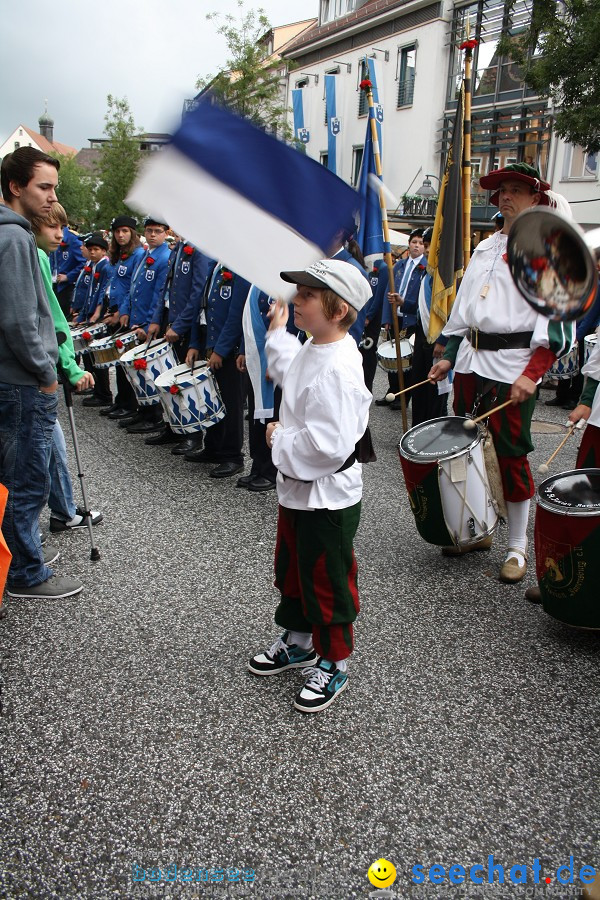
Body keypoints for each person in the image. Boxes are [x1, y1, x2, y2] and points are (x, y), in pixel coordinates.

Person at [429, 163, 574, 584]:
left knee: (510, 456)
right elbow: (465, 311)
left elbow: (556, 323)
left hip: (511, 368)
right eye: (502, 190)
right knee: (466, 451)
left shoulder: (547, 251)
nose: (506, 196)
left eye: (516, 190)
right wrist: (449, 352)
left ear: (535, 199)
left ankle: (516, 547)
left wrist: (534, 373)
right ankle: (477, 528)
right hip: (471, 365)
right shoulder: (485, 247)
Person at [248, 259, 372, 713]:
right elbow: (291, 372)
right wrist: (279, 333)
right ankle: (299, 642)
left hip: (326, 497)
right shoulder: (315, 346)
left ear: (338, 309)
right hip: (300, 491)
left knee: (327, 577)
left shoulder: (339, 369)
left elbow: (328, 447)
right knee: (294, 567)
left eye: (306, 296)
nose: (295, 301)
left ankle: (335, 660)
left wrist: (279, 437)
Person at [0, 146, 81, 600]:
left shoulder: (14, 235)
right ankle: (26, 573)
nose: (52, 198)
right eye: (44, 187)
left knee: (16, 476)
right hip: (22, 381)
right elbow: (19, 319)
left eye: (55, 188)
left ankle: (18, 553)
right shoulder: (13, 239)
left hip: (13, 378)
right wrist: (45, 372)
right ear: (16, 187)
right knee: (26, 480)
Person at [31, 201, 103, 534]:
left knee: (49, 445)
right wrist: (72, 368)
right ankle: (55, 516)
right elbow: (52, 318)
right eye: (52, 227)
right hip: (32, 371)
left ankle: (61, 509)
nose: (61, 235)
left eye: (62, 227)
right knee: (47, 447)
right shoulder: (38, 257)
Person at [146, 236, 210, 452]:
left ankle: (192, 434)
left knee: (184, 382)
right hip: (168, 319)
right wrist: (156, 319)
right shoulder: (179, 248)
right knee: (168, 377)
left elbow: (197, 292)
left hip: (184, 324)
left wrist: (180, 325)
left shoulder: (199, 249)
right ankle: (173, 425)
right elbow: (167, 288)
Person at [185, 262, 249, 477]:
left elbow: (237, 314)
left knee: (231, 403)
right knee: (210, 399)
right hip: (208, 341)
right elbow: (200, 307)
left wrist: (221, 350)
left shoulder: (240, 268)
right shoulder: (213, 266)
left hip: (227, 348)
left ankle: (232, 456)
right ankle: (213, 447)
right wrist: (195, 343)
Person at [118, 217, 171, 434]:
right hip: (136, 318)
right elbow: (134, 286)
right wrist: (126, 311)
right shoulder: (146, 254)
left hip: (149, 322)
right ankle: (144, 410)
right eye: (148, 231)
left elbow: (159, 294)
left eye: (157, 231)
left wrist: (150, 321)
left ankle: (153, 415)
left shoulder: (164, 257)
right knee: (140, 369)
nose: (152, 235)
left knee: (149, 369)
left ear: (166, 232)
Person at [374, 228, 427, 408]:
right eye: (414, 242)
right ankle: (392, 392)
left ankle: (403, 398)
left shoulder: (425, 268)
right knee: (392, 358)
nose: (417, 246)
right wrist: (386, 319)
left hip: (412, 320)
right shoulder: (399, 265)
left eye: (421, 243)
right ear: (409, 244)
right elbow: (388, 291)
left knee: (407, 361)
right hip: (395, 318)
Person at [101, 215, 145, 420]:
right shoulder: (119, 254)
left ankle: (129, 403)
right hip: (116, 310)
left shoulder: (137, 255)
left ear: (133, 233)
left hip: (127, 314)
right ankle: (121, 400)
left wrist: (121, 312)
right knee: (119, 361)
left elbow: (134, 287)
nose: (120, 235)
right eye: (117, 231)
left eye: (125, 231)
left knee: (126, 361)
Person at [410, 225, 449, 427]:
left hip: (438, 340)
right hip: (422, 336)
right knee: (419, 387)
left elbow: (453, 312)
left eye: (429, 245)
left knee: (435, 392)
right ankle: (417, 429)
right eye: (425, 246)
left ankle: (434, 433)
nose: (426, 250)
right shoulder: (427, 273)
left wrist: (443, 340)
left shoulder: (447, 276)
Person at [49, 224, 85, 317]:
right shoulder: (50, 235)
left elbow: (84, 262)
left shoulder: (73, 239)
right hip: (53, 284)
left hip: (67, 287)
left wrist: (68, 276)